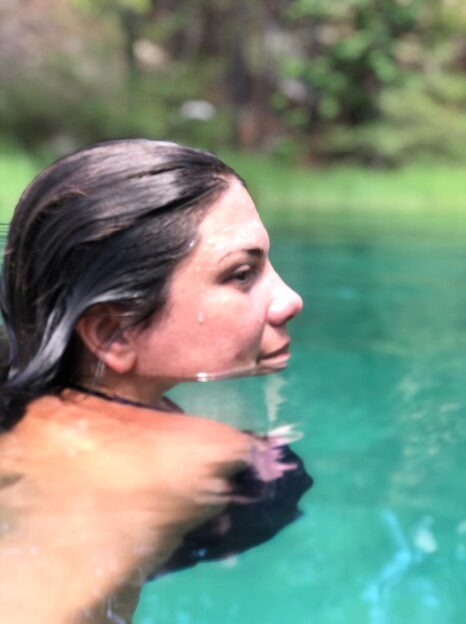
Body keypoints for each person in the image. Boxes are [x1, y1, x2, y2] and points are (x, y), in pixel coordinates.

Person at [0, 139, 311, 624]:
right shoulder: (173, 461)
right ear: (114, 333)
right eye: (242, 274)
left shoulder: (35, 409)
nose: (290, 299)